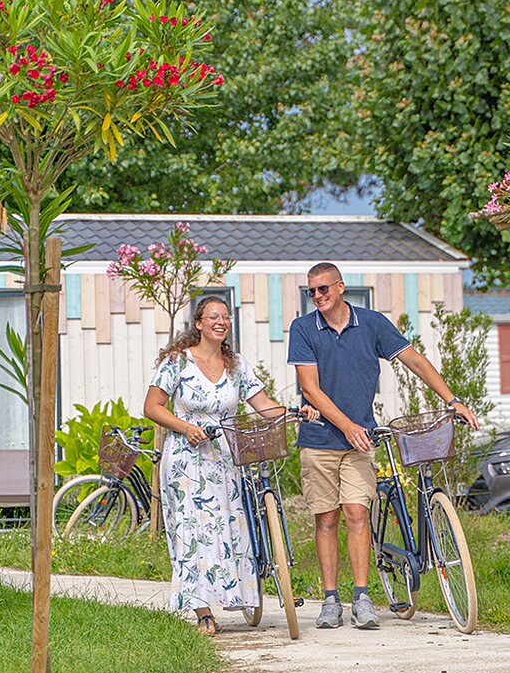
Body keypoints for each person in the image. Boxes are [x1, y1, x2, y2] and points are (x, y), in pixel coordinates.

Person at [289, 262, 478, 630]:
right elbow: (310, 388)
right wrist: (347, 427)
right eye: (310, 292)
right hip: (320, 441)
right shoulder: (303, 328)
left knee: (358, 515)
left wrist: (452, 400)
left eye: (323, 289)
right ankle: (331, 601)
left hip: (361, 440)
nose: (317, 297)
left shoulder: (371, 323)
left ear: (340, 287)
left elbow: (416, 362)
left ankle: (362, 598)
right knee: (326, 520)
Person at [144, 295, 317, 635]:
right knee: (192, 530)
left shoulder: (236, 364)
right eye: (213, 317)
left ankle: (234, 595)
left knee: (227, 528)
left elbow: (262, 404)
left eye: (225, 317)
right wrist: (187, 427)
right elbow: (152, 407)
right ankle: (202, 611)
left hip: (226, 457)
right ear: (198, 323)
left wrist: (295, 413)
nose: (221, 322)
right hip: (186, 460)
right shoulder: (178, 362)